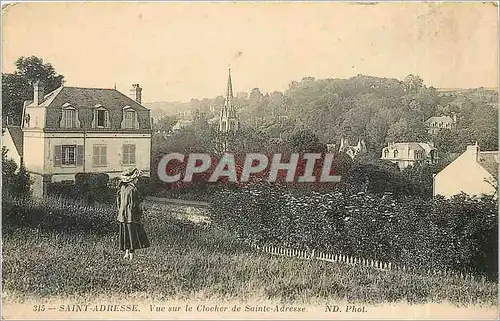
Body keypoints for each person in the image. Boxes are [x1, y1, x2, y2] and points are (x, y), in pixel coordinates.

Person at [116, 167, 150, 260]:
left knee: (125, 234)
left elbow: (119, 203)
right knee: (132, 236)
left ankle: (126, 253)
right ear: (132, 179)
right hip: (132, 217)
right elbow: (134, 205)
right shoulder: (132, 190)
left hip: (122, 216)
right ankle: (131, 255)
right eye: (136, 178)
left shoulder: (122, 188)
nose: (137, 180)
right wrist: (141, 209)